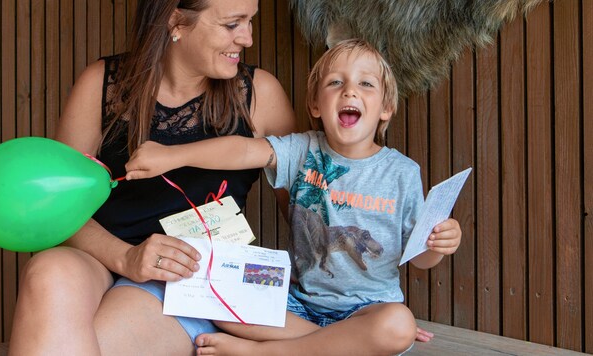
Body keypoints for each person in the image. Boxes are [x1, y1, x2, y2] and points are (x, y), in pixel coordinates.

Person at [125, 38, 462, 355]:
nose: (350, 91)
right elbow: (243, 151)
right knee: (218, 296)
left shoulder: (402, 172)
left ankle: (264, 352)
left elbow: (419, 259)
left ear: (386, 108)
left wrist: (437, 246)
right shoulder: (303, 149)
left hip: (367, 310)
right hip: (297, 305)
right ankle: (342, 346)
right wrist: (174, 155)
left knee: (397, 323)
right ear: (315, 104)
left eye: (366, 84)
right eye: (335, 83)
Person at [8, 0, 297, 355]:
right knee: (48, 271)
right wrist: (126, 258)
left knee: (87, 342)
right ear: (177, 20)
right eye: (232, 24)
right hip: (101, 255)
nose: (248, 38)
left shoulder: (259, 93)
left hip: (188, 277)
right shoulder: (102, 84)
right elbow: (59, 207)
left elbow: (306, 212)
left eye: (249, 22)